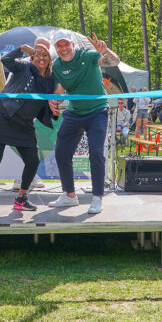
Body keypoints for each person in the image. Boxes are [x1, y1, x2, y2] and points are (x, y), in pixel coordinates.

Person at [0, 37, 58, 215]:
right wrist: (22, 48)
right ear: (32, 56)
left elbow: (46, 104)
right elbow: (5, 60)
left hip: (24, 124)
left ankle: (21, 198)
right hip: (2, 115)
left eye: (45, 55)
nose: (41, 57)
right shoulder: (23, 67)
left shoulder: (50, 79)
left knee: (33, 161)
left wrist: (53, 111)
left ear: (49, 59)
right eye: (37, 54)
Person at [48, 31, 120, 215]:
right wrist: (52, 101)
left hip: (97, 111)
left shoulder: (88, 55)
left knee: (96, 152)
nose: (63, 49)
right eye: (59, 46)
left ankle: (97, 198)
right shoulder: (56, 66)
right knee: (61, 152)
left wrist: (105, 51)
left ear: (72, 44)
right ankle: (70, 195)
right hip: (74, 112)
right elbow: (58, 91)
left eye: (66, 45)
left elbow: (114, 62)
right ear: (56, 48)